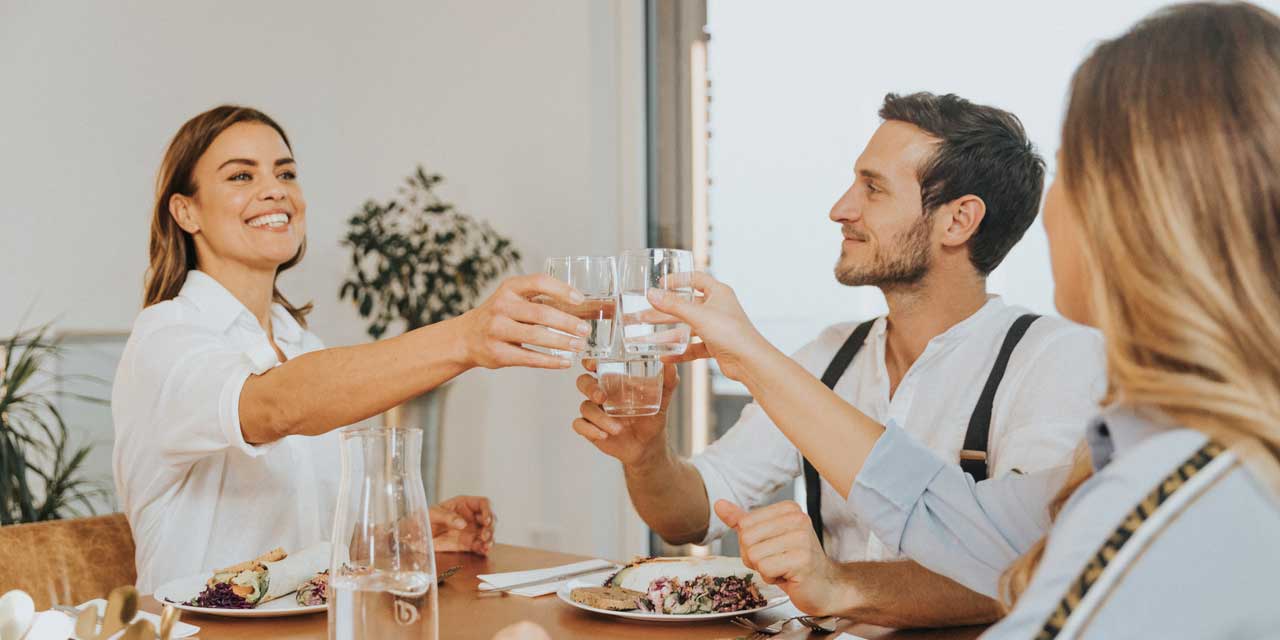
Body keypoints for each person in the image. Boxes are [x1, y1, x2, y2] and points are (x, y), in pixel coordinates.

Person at [646, 2, 1280, 636]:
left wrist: (751, 354)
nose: (841, 210)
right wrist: (725, 377)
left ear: (1138, 212)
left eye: (1075, 169)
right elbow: (966, 523)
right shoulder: (1152, 455)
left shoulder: (1176, 486)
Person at [571, 93, 1104, 626]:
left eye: (873, 188)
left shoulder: (1053, 358)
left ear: (958, 221)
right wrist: (646, 458)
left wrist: (838, 583)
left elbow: (1031, 561)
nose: (840, 209)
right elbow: (692, 515)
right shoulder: (830, 354)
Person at [112, 105, 591, 591]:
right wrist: (466, 337)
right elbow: (272, 407)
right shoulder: (166, 336)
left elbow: (305, 542)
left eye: (286, 173)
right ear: (185, 211)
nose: (275, 189)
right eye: (241, 175)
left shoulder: (303, 345)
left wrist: (394, 537)